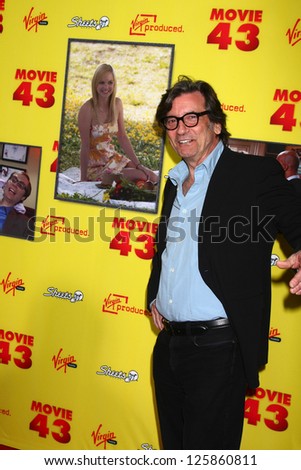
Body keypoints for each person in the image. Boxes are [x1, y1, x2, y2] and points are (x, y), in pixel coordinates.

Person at [147, 76, 301, 450]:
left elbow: (294, 216)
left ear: (215, 123)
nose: (180, 129)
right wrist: (155, 296)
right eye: (171, 120)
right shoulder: (174, 180)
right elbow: (167, 247)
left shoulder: (252, 174)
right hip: (168, 347)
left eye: (191, 118)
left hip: (217, 350)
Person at [78, 63, 158, 188]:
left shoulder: (117, 104)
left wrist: (138, 165)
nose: (106, 87)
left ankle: (117, 178)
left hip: (112, 158)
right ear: (95, 84)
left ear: (114, 84)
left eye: (110, 82)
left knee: (152, 177)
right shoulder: (87, 108)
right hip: (96, 165)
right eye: (101, 82)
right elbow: (85, 145)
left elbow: (122, 137)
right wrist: (83, 178)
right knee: (141, 176)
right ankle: (112, 178)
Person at [0, 171, 33, 240]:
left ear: (23, 197)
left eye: (21, 185)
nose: (15, 185)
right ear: (6, 183)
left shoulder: (25, 224)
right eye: (14, 180)